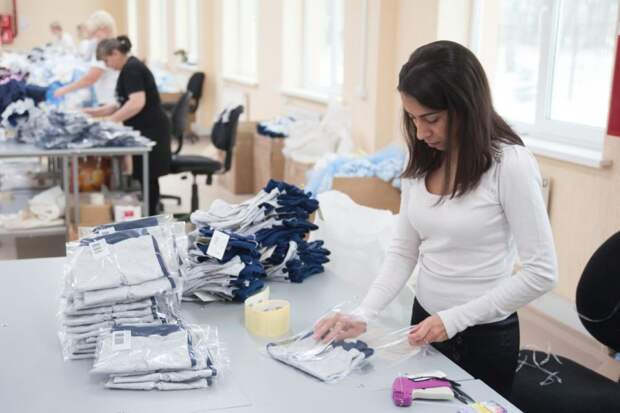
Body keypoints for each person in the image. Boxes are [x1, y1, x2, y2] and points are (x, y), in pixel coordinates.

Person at [313, 40, 558, 399]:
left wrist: (454, 319)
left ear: (466, 107)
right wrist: (365, 313)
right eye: (412, 119)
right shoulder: (422, 160)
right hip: (425, 321)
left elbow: (542, 272)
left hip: (483, 336)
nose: (421, 132)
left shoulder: (510, 164)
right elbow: (403, 251)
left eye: (431, 119)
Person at [84, 36, 170, 215]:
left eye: (107, 60)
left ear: (115, 53)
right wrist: (92, 113)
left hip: (152, 129)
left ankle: (151, 216)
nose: (107, 66)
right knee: (144, 176)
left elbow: (136, 103)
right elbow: (120, 103)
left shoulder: (132, 69)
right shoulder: (127, 69)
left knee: (148, 176)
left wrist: (111, 121)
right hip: (145, 128)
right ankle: (148, 212)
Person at [53, 11, 118, 105]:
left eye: (95, 34)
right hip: (110, 98)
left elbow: (90, 79)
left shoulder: (104, 48)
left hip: (108, 99)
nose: (94, 39)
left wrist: (63, 90)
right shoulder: (112, 45)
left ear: (103, 29)